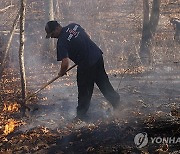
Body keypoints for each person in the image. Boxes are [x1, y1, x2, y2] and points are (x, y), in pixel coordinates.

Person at [45, 20, 120, 120]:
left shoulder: (61, 42)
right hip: (97, 56)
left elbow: (65, 63)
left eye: (52, 34)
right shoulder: (73, 26)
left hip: (86, 64)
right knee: (103, 83)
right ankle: (118, 103)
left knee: (84, 90)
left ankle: (81, 116)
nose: (53, 37)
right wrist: (82, 50)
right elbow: (88, 36)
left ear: (58, 28)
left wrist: (61, 72)